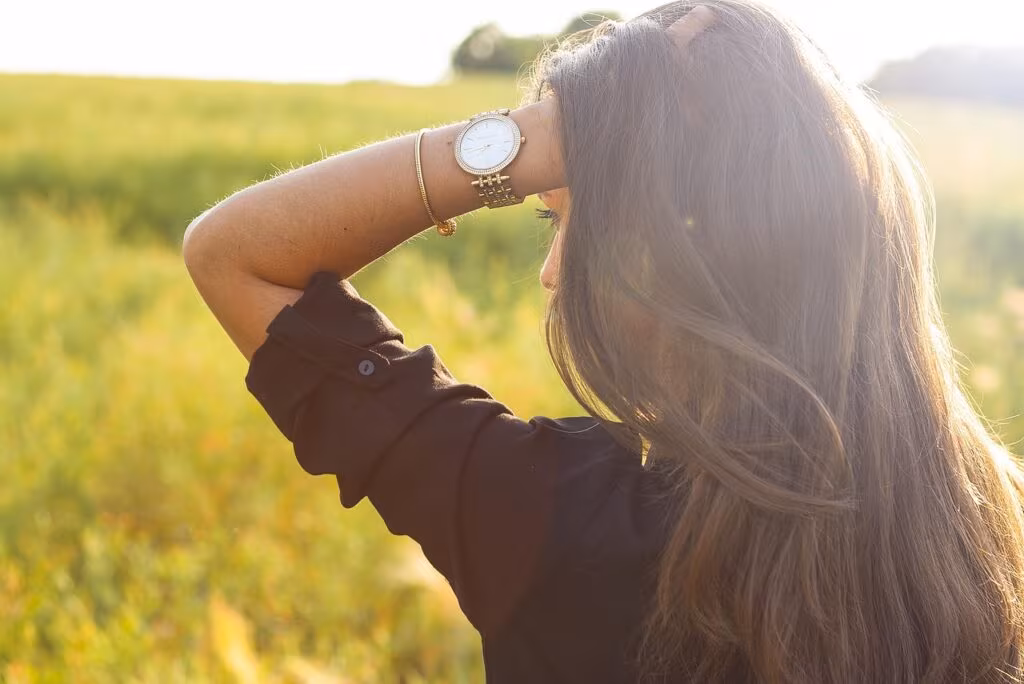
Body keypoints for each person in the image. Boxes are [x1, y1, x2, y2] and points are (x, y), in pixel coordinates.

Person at [182, 1, 1024, 681]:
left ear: (692, 248)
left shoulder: (557, 525)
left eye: (575, 224)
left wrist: (540, 137)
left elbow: (238, 255)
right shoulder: (985, 522)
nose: (553, 272)